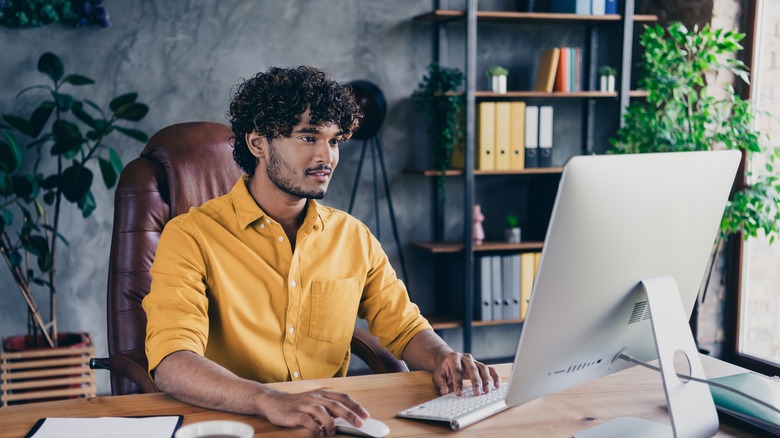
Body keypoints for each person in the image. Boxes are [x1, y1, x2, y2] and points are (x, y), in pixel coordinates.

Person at [142, 66, 499, 436]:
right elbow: (173, 361)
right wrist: (267, 399)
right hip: (235, 423)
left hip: (329, 425)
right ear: (257, 143)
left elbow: (404, 326)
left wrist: (444, 357)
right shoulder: (191, 236)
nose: (326, 157)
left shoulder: (352, 236)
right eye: (309, 137)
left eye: (334, 141)